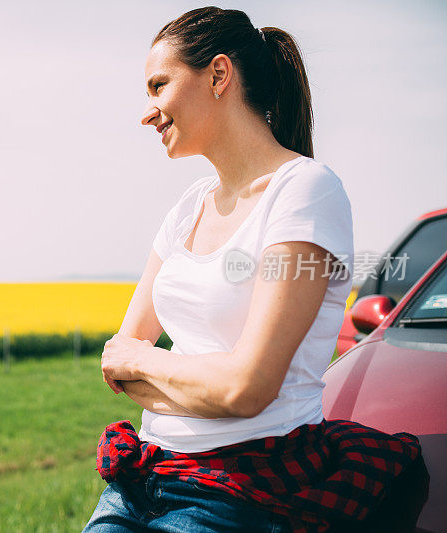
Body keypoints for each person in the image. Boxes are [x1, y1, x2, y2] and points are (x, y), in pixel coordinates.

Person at [82, 6, 425, 533]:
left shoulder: (306, 190)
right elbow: (118, 366)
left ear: (218, 75)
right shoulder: (187, 208)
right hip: (144, 477)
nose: (147, 112)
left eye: (159, 86)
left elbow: (248, 388)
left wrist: (151, 365)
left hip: (242, 487)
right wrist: (198, 381)